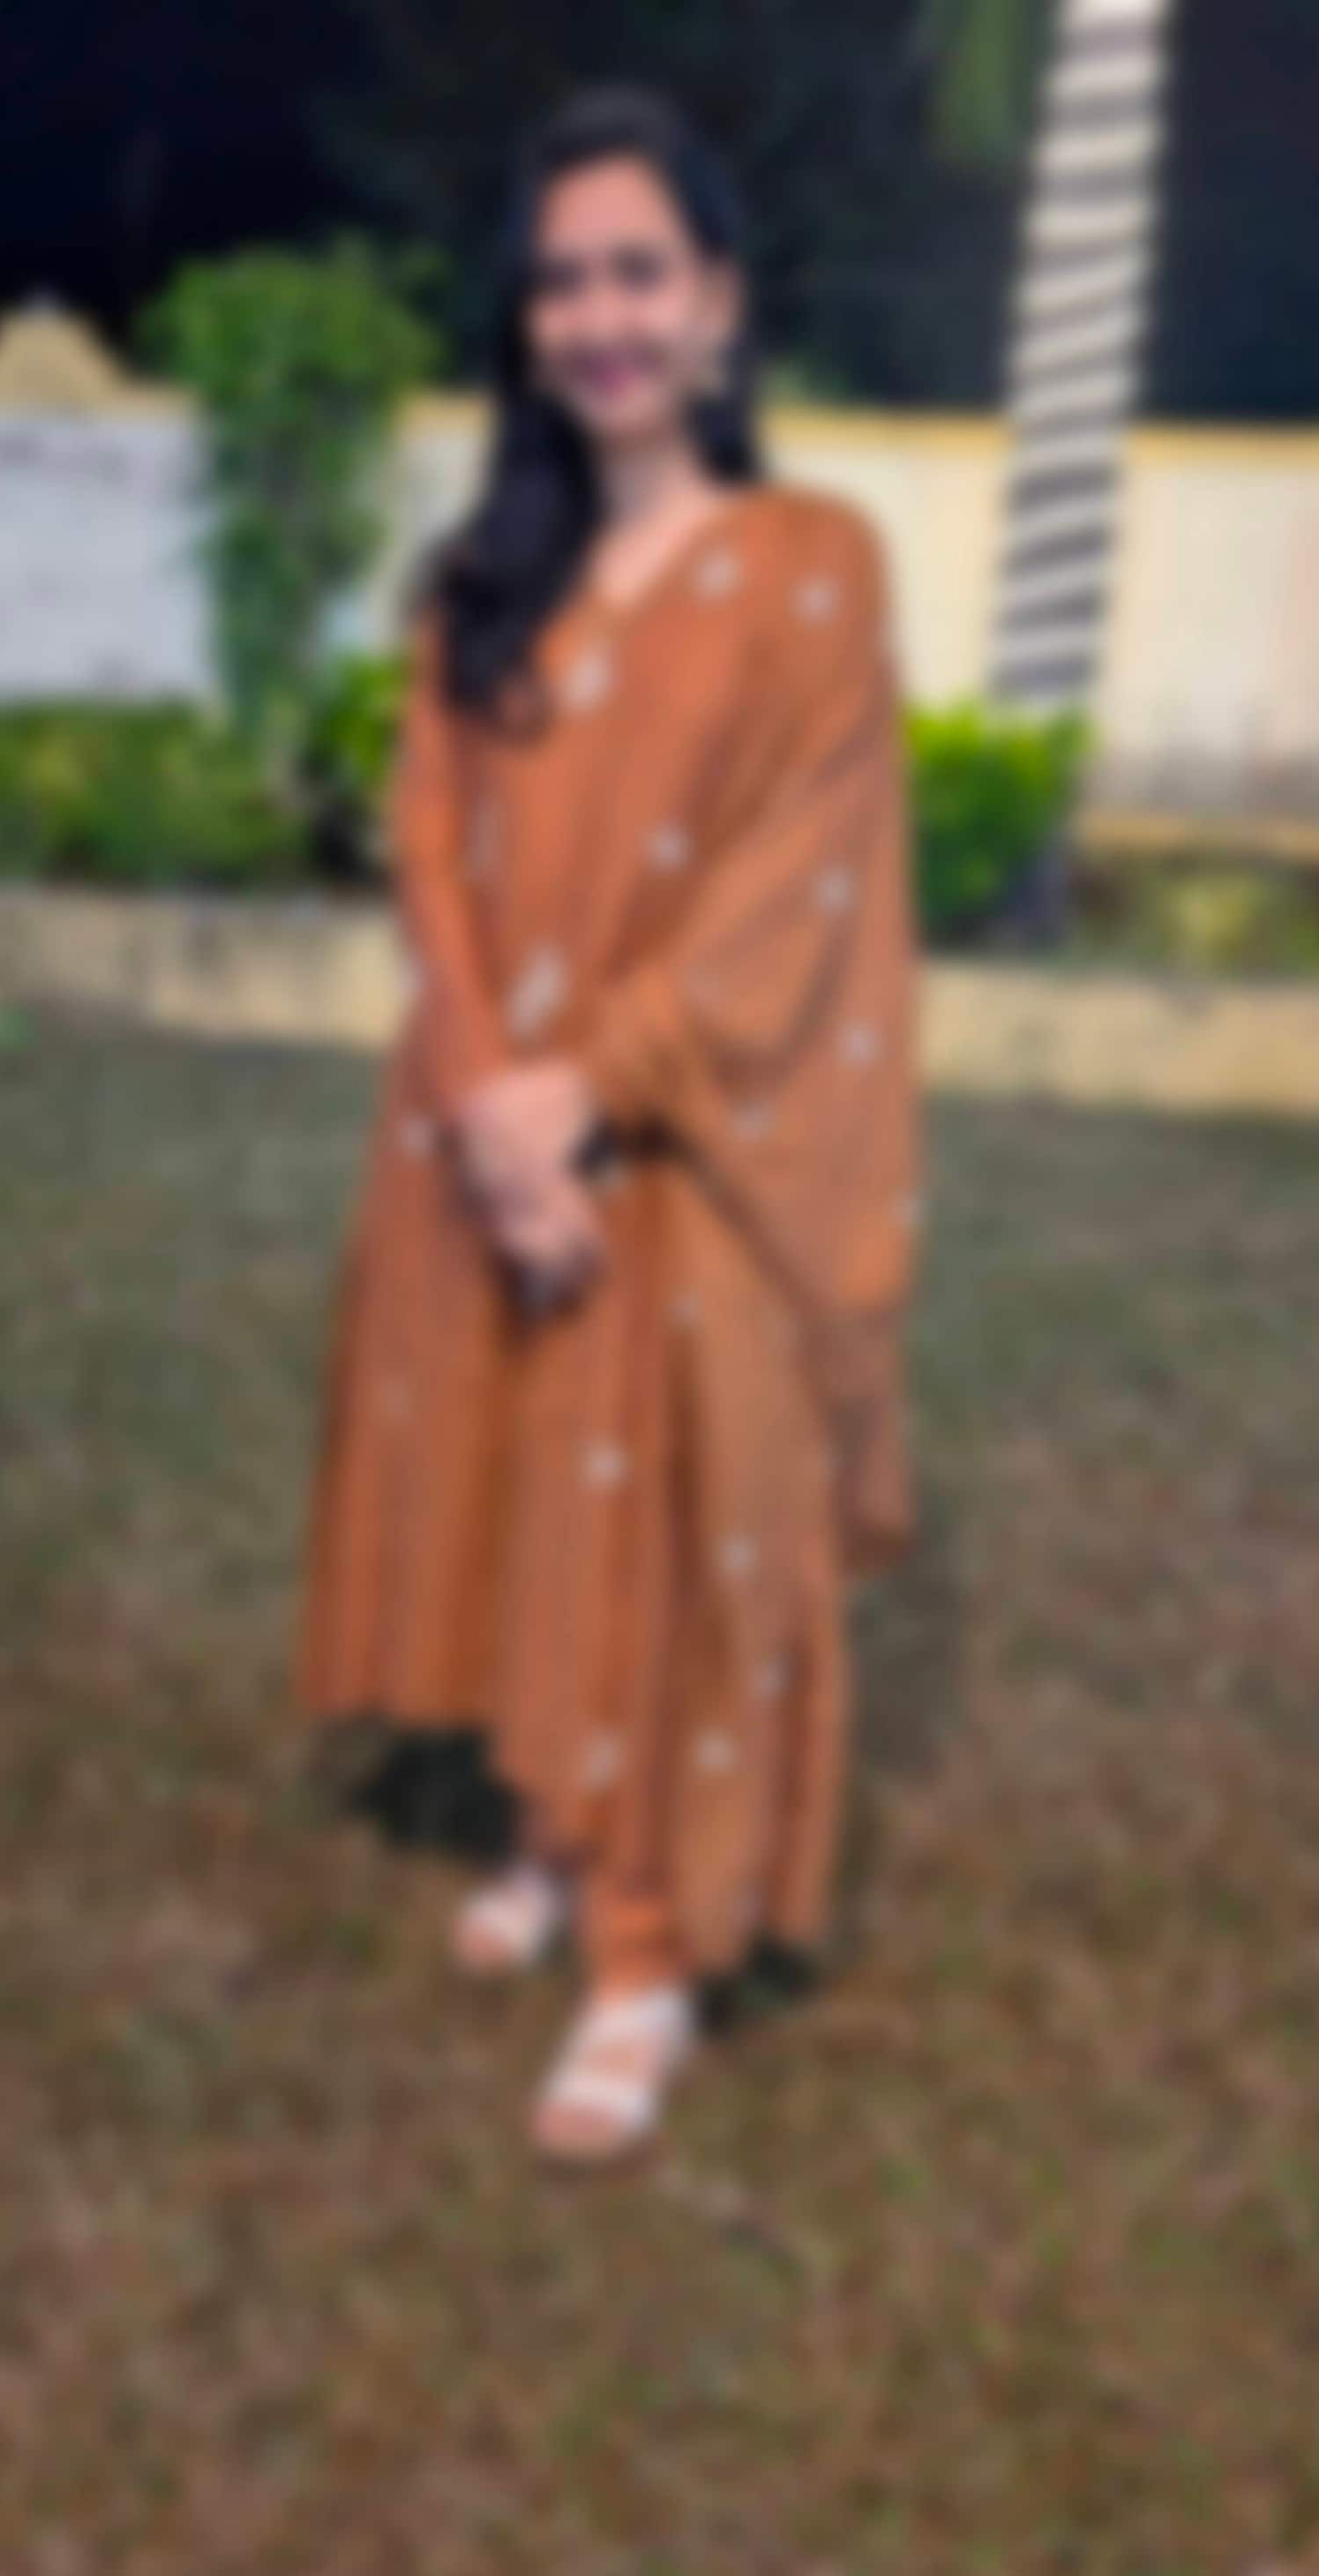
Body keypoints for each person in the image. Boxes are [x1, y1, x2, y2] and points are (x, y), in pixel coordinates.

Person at [295, 80, 923, 2166]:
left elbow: (795, 887)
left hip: (683, 1141)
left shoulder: (811, 568)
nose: (601, 318)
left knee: (670, 1514)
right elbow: (431, 849)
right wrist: (493, 1114)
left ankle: (646, 1954)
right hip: (489, 1139)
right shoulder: (486, 578)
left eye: (640, 272)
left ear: (720, 302)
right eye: (561, 282)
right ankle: (563, 1830)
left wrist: (586, 1091)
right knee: (527, 1474)